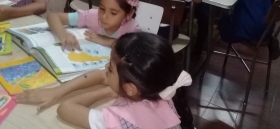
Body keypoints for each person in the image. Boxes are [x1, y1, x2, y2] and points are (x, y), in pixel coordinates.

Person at [16, 32, 192, 129]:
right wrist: (57, 91)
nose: (104, 69)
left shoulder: (119, 121)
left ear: (130, 89)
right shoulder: (161, 93)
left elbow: (65, 109)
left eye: (109, 67)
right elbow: (100, 75)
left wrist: (108, 90)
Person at [47, 0, 140, 50]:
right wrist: (63, 34)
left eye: (113, 13)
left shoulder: (133, 29)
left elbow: (138, 52)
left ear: (129, 14)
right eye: (102, 8)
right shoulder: (92, 16)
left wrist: (109, 41)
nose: (104, 16)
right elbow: (53, 17)